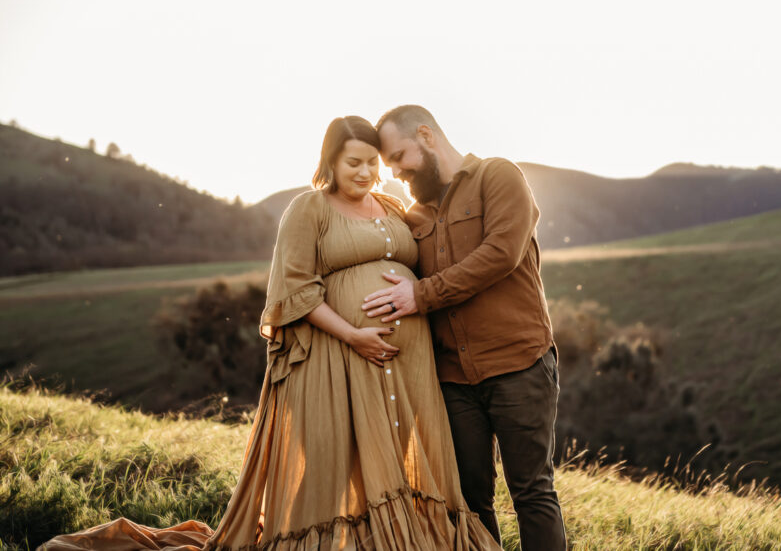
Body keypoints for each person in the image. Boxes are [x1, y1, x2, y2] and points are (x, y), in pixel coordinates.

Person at [42, 116, 500, 551]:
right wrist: (354, 335)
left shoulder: (395, 208)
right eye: (353, 162)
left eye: (372, 163)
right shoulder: (310, 208)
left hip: (405, 365)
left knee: (395, 460)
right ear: (331, 163)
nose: (364, 172)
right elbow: (294, 290)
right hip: (338, 355)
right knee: (334, 461)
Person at [361, 105, 568, 550]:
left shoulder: (498, 176)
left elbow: (501, 254)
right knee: (471, 501)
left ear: (426, 136)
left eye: (399, 156)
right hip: (453, 380)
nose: (395, 172)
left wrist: (421, 295)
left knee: (532, 492)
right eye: (390, 164)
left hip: (519, 365)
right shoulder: (412, 218)